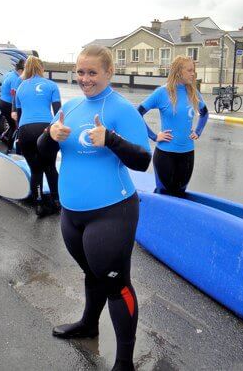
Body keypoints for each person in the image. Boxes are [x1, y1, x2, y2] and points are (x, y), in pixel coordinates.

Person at [38, 45, 151, 371]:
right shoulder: (70, 108)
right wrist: (49, 135)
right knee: (91, 273)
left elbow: (144, 161)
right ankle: (88, 324)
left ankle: (125, 362)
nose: (85, 79)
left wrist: (111, 140)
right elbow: (42, 155)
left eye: (92, 73)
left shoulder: (121, 109)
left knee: (116, 284)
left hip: (112, 212)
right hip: (72, 212)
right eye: (81, 72)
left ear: (108, 73)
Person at [137, 55, 208, 197]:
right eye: (189, 70)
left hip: (187, 155)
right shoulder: (162, 93)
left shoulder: (193, 93)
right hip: (165, 155)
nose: (193, 73)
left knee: (180, 195)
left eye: (193, 70)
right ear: (178, 71)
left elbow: (204, 113)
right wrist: (155, 136)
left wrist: (198, 131)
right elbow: (137, 114)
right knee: (164, 196)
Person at [15, 56, 61, 216]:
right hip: (45, 129)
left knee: (35, 170)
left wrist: (18, 136)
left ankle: (39, 204)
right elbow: (58, 113)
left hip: (25, 129)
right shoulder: (51, 85)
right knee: (50, 166)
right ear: (41, 68)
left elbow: (19, 115)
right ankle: (56, 201)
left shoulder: (20, 87)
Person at [0, 57, 24, 152]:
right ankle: (9, 149)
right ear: (20, 70)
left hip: (2, 102)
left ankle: (4, 136)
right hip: (8, 104)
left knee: (11, 124)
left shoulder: (9, 74)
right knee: (14, 126)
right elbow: (15, 95)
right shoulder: (16, 79)